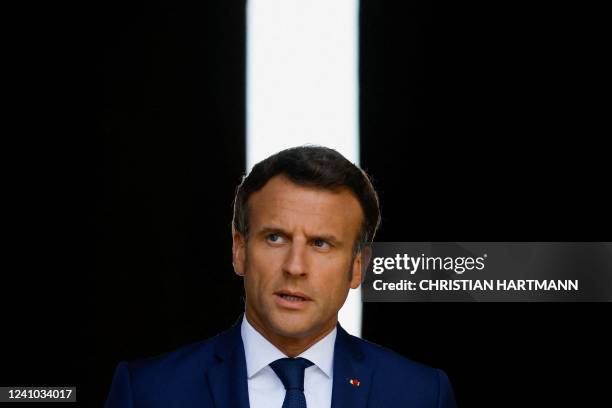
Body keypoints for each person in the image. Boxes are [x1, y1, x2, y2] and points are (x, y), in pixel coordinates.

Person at [105, 146, 457, 407]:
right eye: (275, 238)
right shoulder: (148, 391)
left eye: (321, 243)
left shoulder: (421, 394)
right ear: (239, 250)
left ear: (357, 267)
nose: (295, 266)